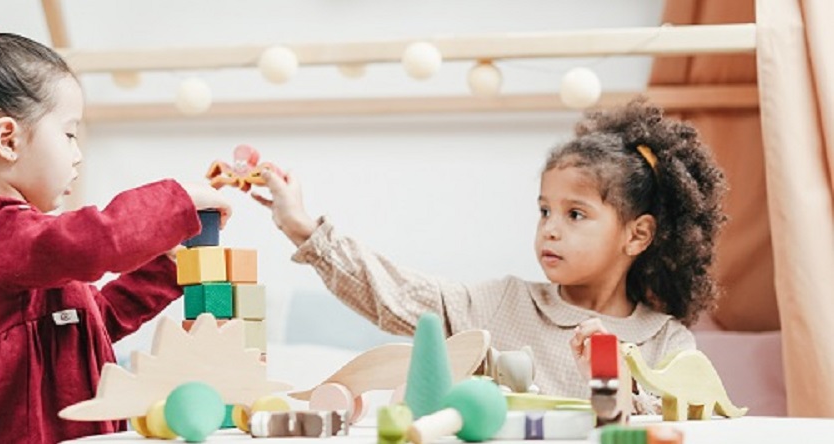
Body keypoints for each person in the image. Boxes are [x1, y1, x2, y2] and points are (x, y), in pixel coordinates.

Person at [253, 98, 727, 412]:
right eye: (544, 211)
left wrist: (608, 374)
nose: (550, 229)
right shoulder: (502, 305)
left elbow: (665, 424)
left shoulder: (666, 344)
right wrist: (302, 228)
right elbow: (392, 294)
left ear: (637, 235)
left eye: (575, 214)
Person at [0, 29, 230, 443]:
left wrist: (167, 269)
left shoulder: (34, 247)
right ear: (8, 140)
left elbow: (95, 322)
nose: (78, 154)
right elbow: (97, 242)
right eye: (69, 134)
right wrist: (176, 202)